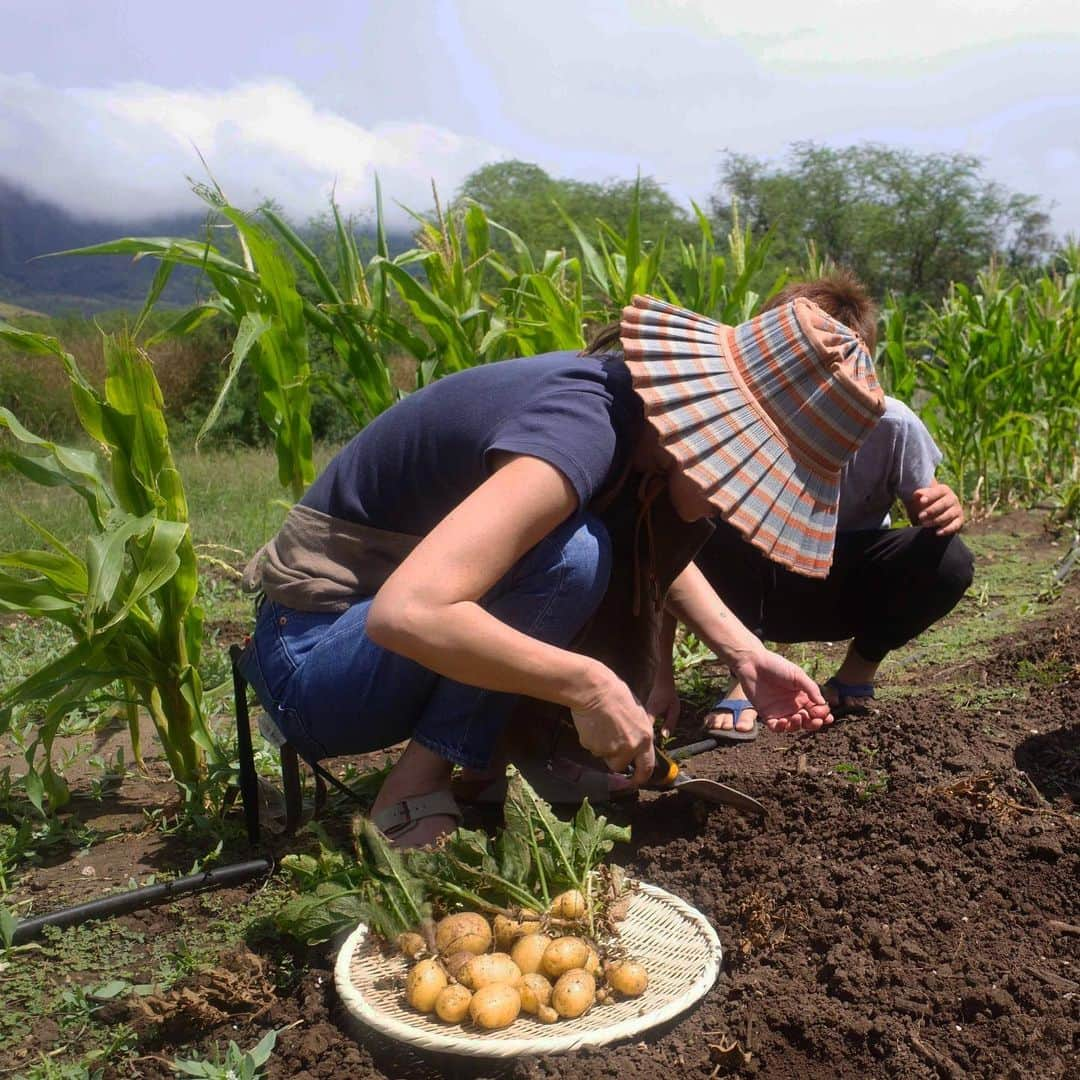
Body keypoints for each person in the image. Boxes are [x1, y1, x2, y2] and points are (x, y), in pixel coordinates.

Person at [238, 291, 886, 846]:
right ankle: (413, 788)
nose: (743, 503)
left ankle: (496, 761)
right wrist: (589, 686)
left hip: (368, 654)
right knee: (574, 556)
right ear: (718, 430)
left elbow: (647, 556)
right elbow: (408, 611)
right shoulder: (584, 424)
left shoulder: (641, 428)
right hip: (315, 661)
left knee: (597, 545)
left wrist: (744, 655)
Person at [646, 273, 974, 742]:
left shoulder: (894, 425)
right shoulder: (735, 419)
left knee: (949, 556)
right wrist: (660, 677)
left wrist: (945, 509)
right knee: (693, 525)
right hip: (746, 591)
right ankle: (748, 672)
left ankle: (856, 673)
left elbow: (928, 512)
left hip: (835, 587)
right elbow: (666, 550)